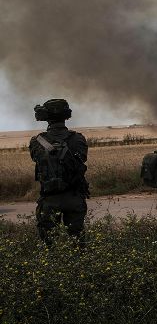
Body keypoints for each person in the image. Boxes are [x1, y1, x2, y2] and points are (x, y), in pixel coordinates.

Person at [29, 99, 89, 243]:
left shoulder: (36, 141)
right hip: (74, 197)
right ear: (66, 115)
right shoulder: (78, 139)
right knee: (78, 242)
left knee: (49, 245)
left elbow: (36, 159)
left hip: (49, 199)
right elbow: (82, 159)